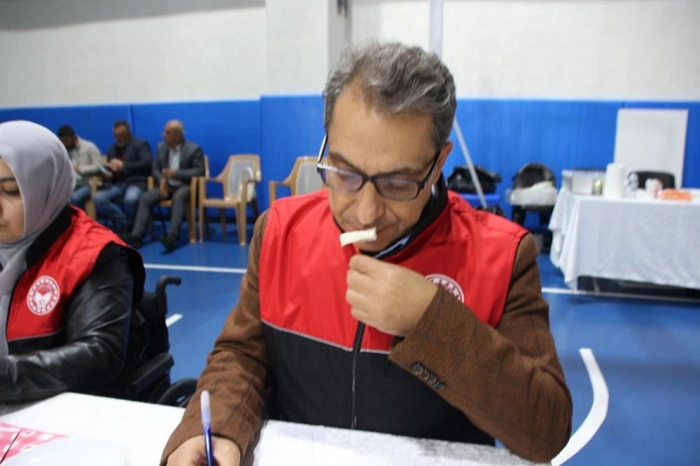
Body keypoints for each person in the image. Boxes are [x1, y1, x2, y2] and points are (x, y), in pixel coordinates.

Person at [162, 42, 572, 465]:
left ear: (438, 164)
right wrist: (219, 430)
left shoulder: (503, 256)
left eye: (397, 184)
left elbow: (546, 431)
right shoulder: (280, 232)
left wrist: (431, 321)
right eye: (344, 173)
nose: (365, 211)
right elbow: (243, 355)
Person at [0, 120, 146, 403]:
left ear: (45, 188)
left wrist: (6, 377)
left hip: (62, 410)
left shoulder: (96, 254)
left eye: (11, 191)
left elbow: (99, 354)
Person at [120, 120, 204, 252]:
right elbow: (154, 168)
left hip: (185, 185)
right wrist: (162, 180)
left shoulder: (193, 149)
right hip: (166, 185)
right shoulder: (161, 148)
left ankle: (172, 237)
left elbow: (200, 171)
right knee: (146, 197)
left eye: (167, 132)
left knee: (179, 196)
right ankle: (136, 235)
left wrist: (176, 173)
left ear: (177, 135)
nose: (163, 134)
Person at [93, 120, 152, 232]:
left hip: (136, 181)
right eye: (116, 136)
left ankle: (131, 227)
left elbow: (147, 163)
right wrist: (107, 173)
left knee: (131, 199)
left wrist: (124, 166)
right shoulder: (112, 149)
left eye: (121, 135)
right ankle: (125, 223)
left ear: (128, 133)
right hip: (118, 183)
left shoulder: (140, 144)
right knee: (98, 198)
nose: (119, 139)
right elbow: (111, 167)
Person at [57, 124, 103, 210]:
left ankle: (81, 218)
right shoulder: (63, 150)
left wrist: (80, 169)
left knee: (74, 198)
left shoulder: (89, 147)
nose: (65, 144)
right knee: (56, 198)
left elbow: (99, 167)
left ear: (73, 138)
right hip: (71, 183)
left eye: (67, 141)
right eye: (63, 142)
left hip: (88, 183)